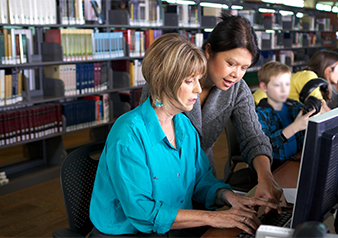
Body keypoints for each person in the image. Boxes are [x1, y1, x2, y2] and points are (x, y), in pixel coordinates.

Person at [89, 33, 280, 238]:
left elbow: (200, 179)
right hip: (128, 233)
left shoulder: (183, 125)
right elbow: (143, 212)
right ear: (164, 82)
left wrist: (229, 196)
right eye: (190, 81)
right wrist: (212, 218)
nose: (198, 89)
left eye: (198, 79)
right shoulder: (128, 135)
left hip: (175, 229)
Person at [140, 13, 283, 206]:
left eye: (244, 68)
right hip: (160, 180)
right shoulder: (170, 75)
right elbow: (145, 136)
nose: (236, 75)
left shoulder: (237, 89)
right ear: (209, 50)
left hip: (203, 180)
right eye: (230, 63)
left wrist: (265, 178)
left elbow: (253, 137)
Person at [255, 61, 318, 171]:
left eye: (287, 84)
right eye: (278, 85)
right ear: (264, 87)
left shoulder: (294, 105)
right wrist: (295, 127)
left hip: (296, 161)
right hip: (276, 167)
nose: (284, 89)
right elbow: (265, 145)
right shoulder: (260, 114)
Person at [253, 50, 338, 113]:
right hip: (256, 107)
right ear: (328, 70)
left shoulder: (314, 81)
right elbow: (322, 109)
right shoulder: (310, 76)